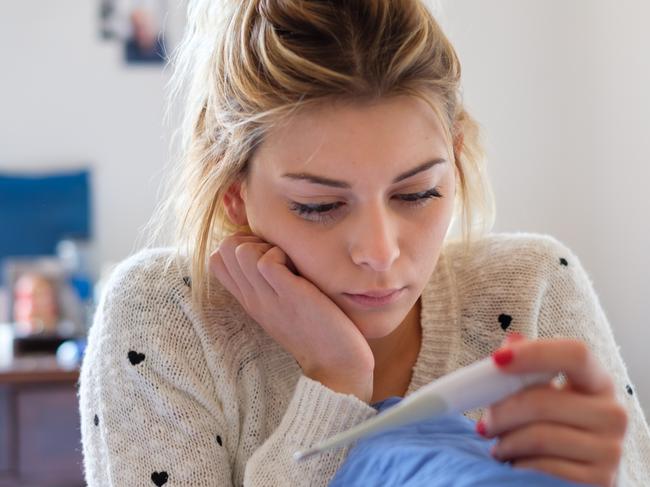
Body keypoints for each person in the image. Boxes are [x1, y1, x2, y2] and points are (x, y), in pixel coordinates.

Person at [78, 1, 650, 486]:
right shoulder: (165, 318)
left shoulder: (535, 286)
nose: (380, 251)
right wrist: (332, 385)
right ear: (234, 193)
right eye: (319, 206)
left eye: (419, 193)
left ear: (455, 158)